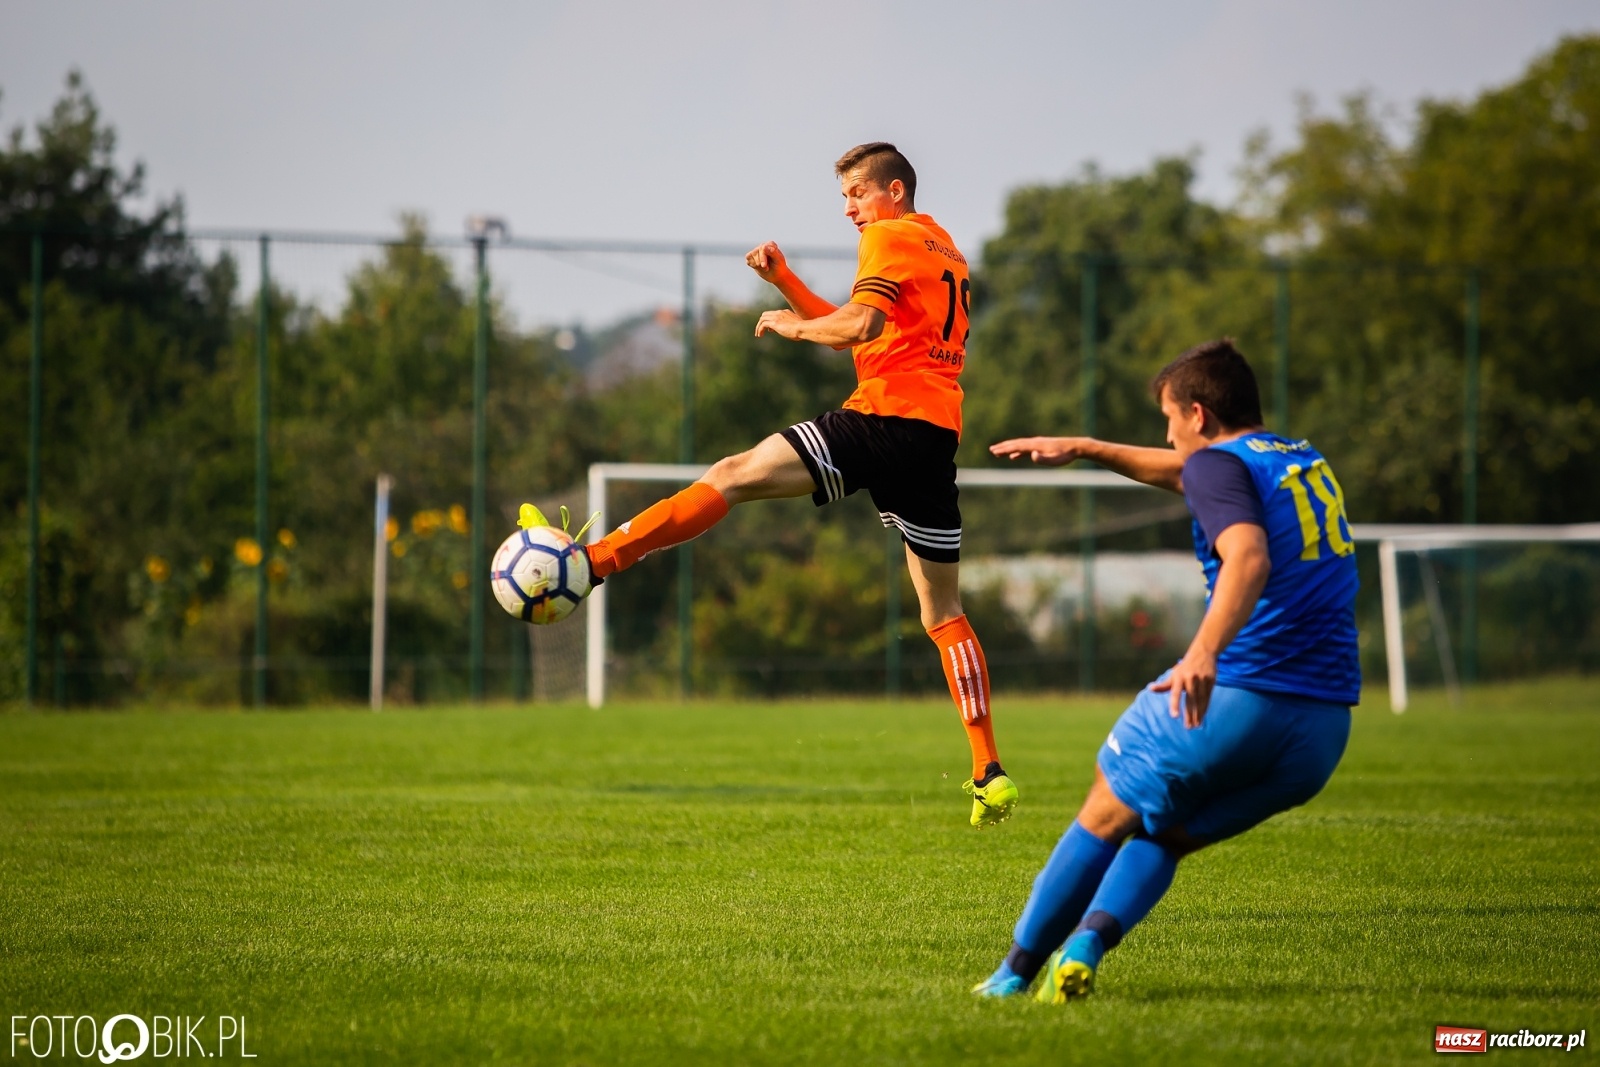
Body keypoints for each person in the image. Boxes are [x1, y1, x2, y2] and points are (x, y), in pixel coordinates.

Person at [572, 142, 1018, 827]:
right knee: (944, 613)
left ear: (895, 191)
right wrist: (786, 282)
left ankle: (597, 561)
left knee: (732, 476)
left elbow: (856, 324)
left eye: (858, 194)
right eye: (844, 198)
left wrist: (791, 324)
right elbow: (860, 336)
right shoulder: (942, 245)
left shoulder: (890, 236)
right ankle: (989, 768)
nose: (850, 209)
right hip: (934, 435)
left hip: (884, 419)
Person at [973, 338, 1359, 1001]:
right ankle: (1084, 949)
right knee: (1166, 830)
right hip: (1320, 734)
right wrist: (1089, 447)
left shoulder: (1213, 463)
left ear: (1200, 415)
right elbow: (1190, 475)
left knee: (1104, 809)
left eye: (1170, 419)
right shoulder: (1297, 458)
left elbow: (1247, 556)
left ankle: (1010, 976)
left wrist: (1202, 652)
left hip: (1234, 700)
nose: (1170, 434)